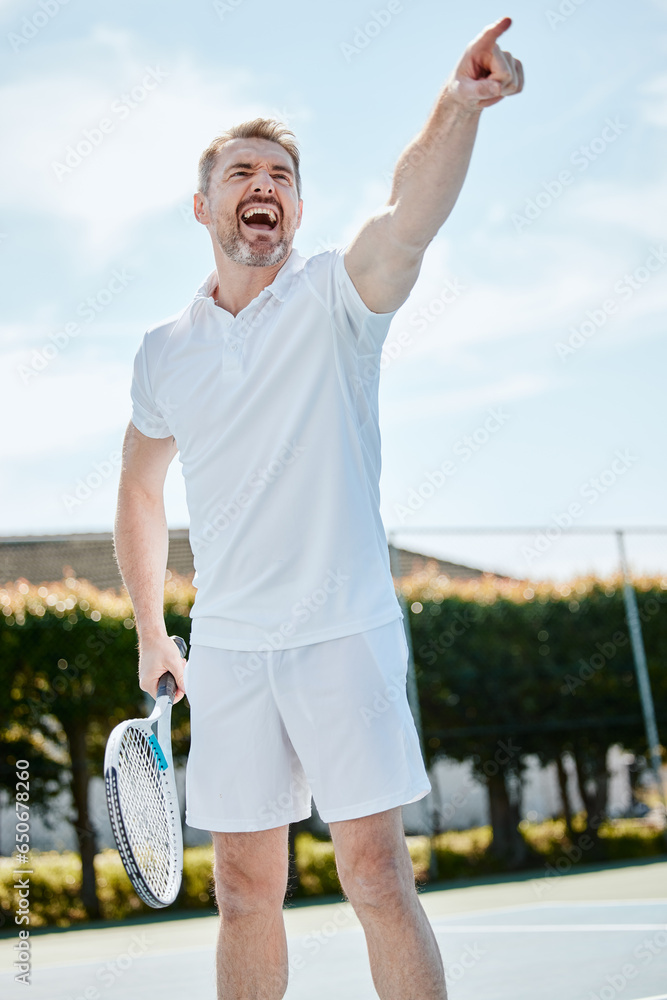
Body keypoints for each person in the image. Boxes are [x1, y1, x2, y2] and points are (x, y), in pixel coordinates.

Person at [113, 15, 523, 999]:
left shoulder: (339, 296)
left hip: (346, 633)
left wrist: (457, 104)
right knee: (246, 889)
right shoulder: (166, 350)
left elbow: (408, 212)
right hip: (234, 648)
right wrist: (150, 630)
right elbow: (137, 485)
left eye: (282, 176)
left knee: (376, 876)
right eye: (244, 173)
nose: (265, 187)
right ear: (204, 202)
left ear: (294, 207)